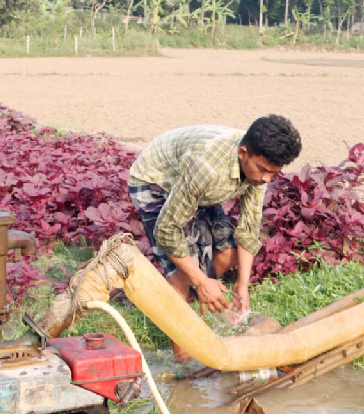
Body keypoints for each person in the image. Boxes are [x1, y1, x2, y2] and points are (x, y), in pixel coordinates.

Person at [128, 116, 302, 360]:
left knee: (227, 254)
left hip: (196, 184)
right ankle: (184, 358)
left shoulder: (258, 168)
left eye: (273, 174)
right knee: (180, 275)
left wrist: (242, 285)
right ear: (243, 153)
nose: (266, 180)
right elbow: (167, 230)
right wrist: (198, 279)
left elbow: (249, 228)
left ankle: (197, 300)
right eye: (263, 170)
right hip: (156, 180)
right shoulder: (207, 169)